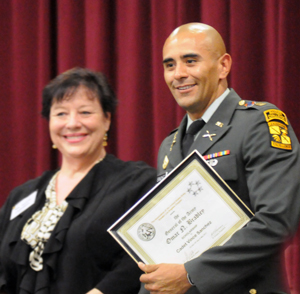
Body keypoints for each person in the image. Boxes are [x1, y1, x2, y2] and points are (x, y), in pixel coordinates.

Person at [138, 23, 300, 294]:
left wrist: (191, 274)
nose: (179, 74)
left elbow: (277, 220)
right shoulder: (169, 145)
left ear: (223, 66)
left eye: (191, 61)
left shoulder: (258, 123)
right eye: (170, 65)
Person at [0, 67, 157, 294]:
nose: (72, 123)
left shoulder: (138, 183)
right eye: (61, 113)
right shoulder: (21, 196)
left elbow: (143, 257)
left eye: (85, 112)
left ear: (107, 119)